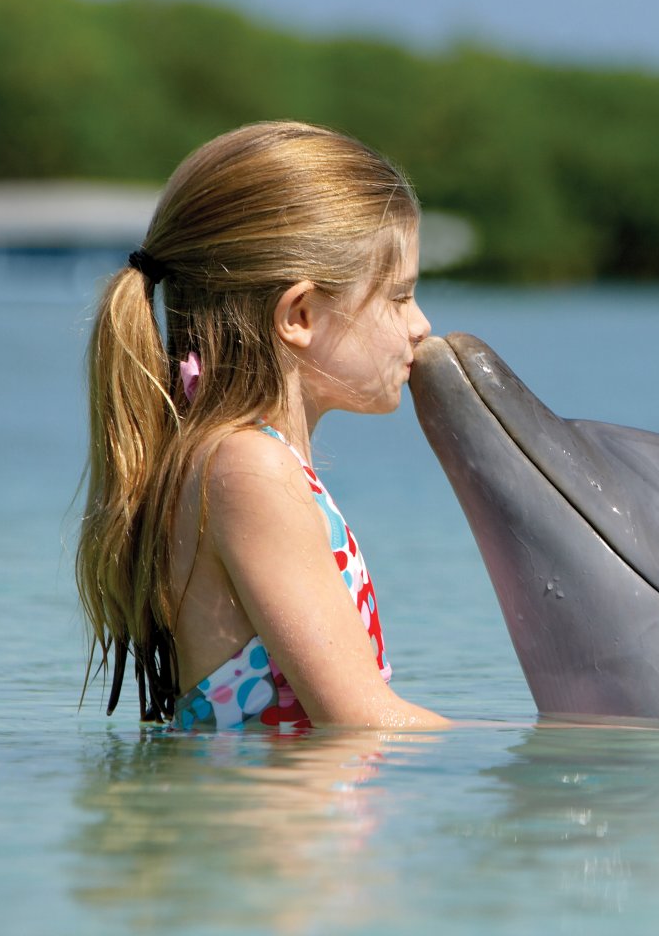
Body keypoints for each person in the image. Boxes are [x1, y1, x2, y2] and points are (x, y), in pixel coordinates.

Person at [75, 120, 448, 731]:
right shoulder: (249, 466)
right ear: (299, 314)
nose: (420, 325)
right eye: (399, 296)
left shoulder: (235, 459)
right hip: (259, 826)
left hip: (272, 822)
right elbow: (361, 721)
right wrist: (562, 753)